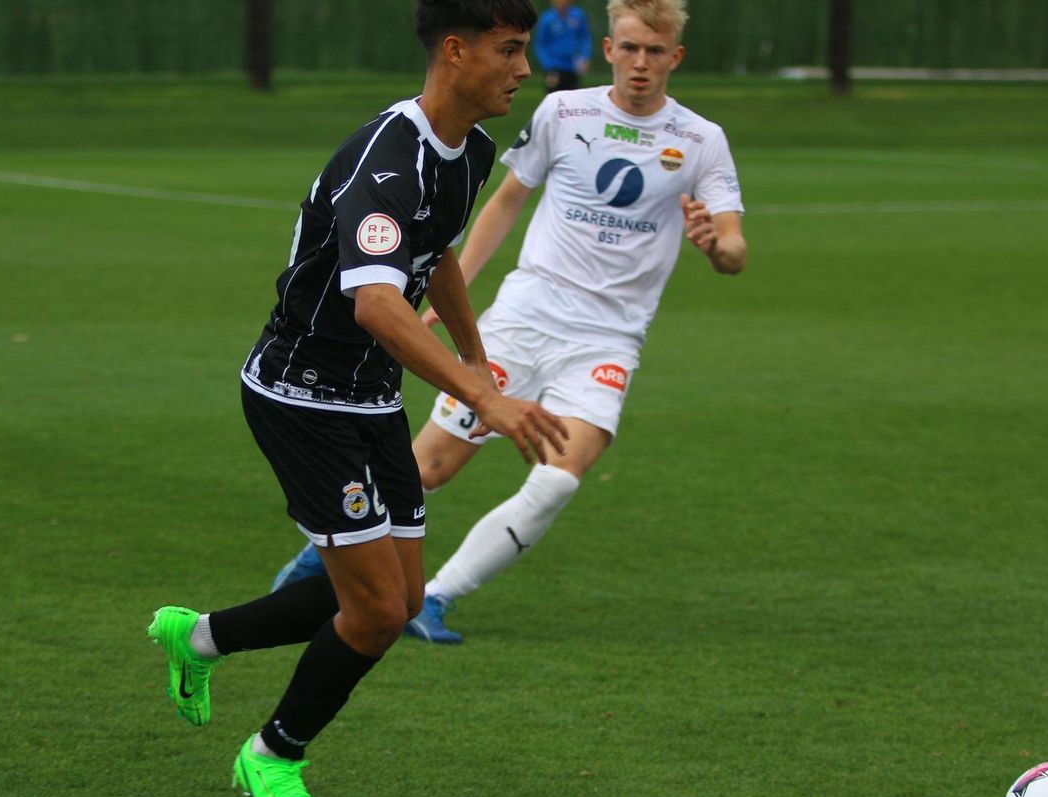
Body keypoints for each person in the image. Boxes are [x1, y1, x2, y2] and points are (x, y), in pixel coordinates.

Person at [147, 0, 566, 797]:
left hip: (371, 395)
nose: (524, 69)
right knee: (374, 612)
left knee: (396, 599)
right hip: (300, 397)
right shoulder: (389, 160)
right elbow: (378, 301)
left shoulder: (469, 149)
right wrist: (482, 396)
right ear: (456, 50)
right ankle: (271, 756)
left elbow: (436, 250)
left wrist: (476, 358)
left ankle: (196, 639)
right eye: (510, 51)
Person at [272, 0, 747, 644]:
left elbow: (734, 250)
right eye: (630, 48)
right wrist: (453, 287)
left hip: (609, 339)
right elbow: (505, 201)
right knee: (429, 469)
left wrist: (714, 245)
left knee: (556, 478)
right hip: (527, 316)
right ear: (608, 49)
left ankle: (434, 599)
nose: (641, 63)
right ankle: (316, 568)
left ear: (675, 57)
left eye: (655, 51)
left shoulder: (700, 139)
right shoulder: (563, 112)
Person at [535, 0, 592, 91]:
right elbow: (541, 45)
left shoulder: (578, 15)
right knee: (554, 98)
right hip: (554, 67)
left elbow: (585, 38)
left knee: (573, 99)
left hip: (572, 66)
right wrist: (549, 67)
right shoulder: (547, 18)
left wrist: (584, 57)